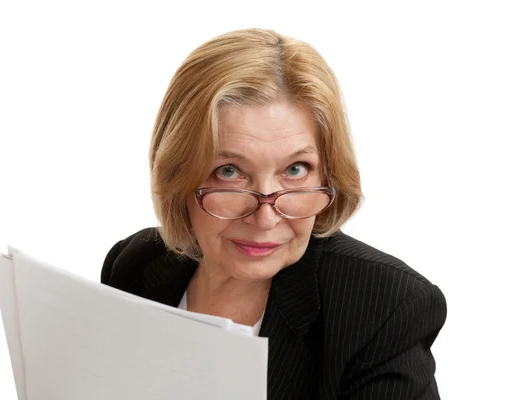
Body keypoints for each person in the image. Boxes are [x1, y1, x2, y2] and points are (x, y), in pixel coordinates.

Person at [101, 28, 447, 399]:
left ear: (328, 172)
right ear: (178, 173)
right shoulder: (136, 265)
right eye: (229, 171)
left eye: (295, 170)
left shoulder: (385, 306)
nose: (265, 218)